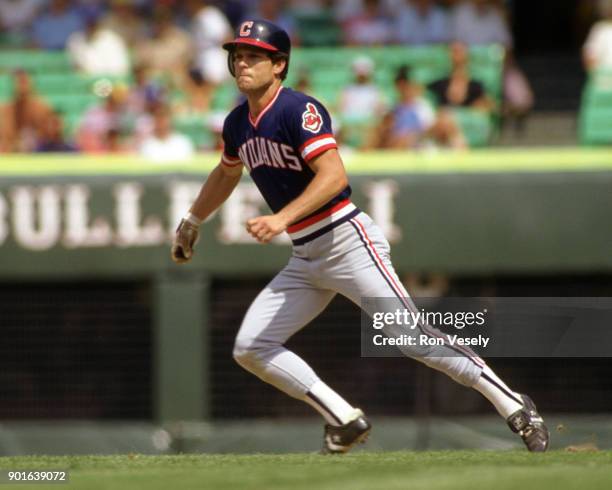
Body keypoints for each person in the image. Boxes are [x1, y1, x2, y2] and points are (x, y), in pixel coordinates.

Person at [171, 19, 549, 454]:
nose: (241, 62)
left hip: (347, 242)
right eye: (237, 54)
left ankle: (515, 404)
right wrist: (193, 220)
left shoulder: (298, 109)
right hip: (306, 255)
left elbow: (333, 176)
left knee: (410, 338)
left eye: (253, 55)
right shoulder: (238, 122)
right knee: (251, 347)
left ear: (279, 65)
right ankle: (344, 419)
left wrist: (279, 219)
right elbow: (225, 172)